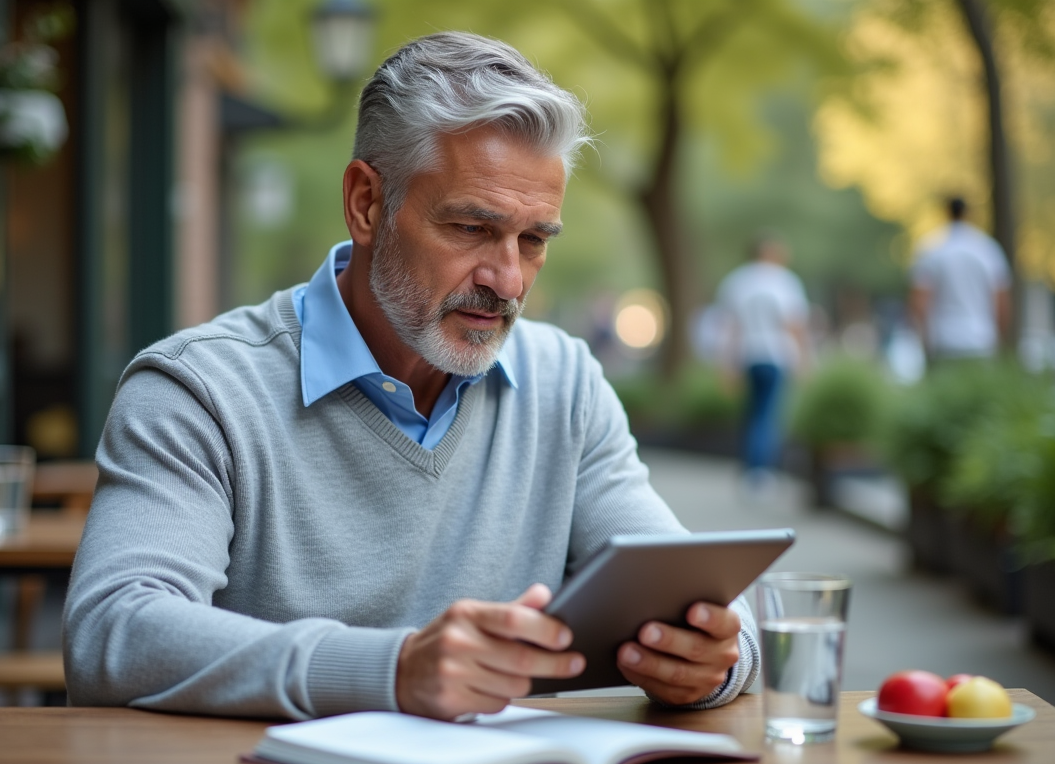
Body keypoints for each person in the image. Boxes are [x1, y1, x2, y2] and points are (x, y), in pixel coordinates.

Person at [63, 32, 759, 722]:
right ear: (367, 203)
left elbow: (701, 596)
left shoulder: (565, 383)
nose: (508, 279)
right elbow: (113, 631)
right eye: (468, 228)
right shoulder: (200, 390)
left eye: (535, 239)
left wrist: (714, 663)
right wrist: (391, 671)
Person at [715, 236, 810, 487]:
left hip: (748, 355)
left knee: (751, 413)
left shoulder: (737, 280)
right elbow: (794, 324)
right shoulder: (785, 281)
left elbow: (730, 328)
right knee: (768, 415)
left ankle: (749, 468)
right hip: (776, 355)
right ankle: (761, 471)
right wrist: (803, 358)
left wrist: (727, 365)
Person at [910, 197, 1012, 360]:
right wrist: (999, 339)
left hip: (943, 340)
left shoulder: (930, 249)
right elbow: (1001, 301)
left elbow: (920, 302)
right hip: (981, 339)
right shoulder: (988, 249)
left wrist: (924, 341)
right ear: (968, 214)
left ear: (946, 212)